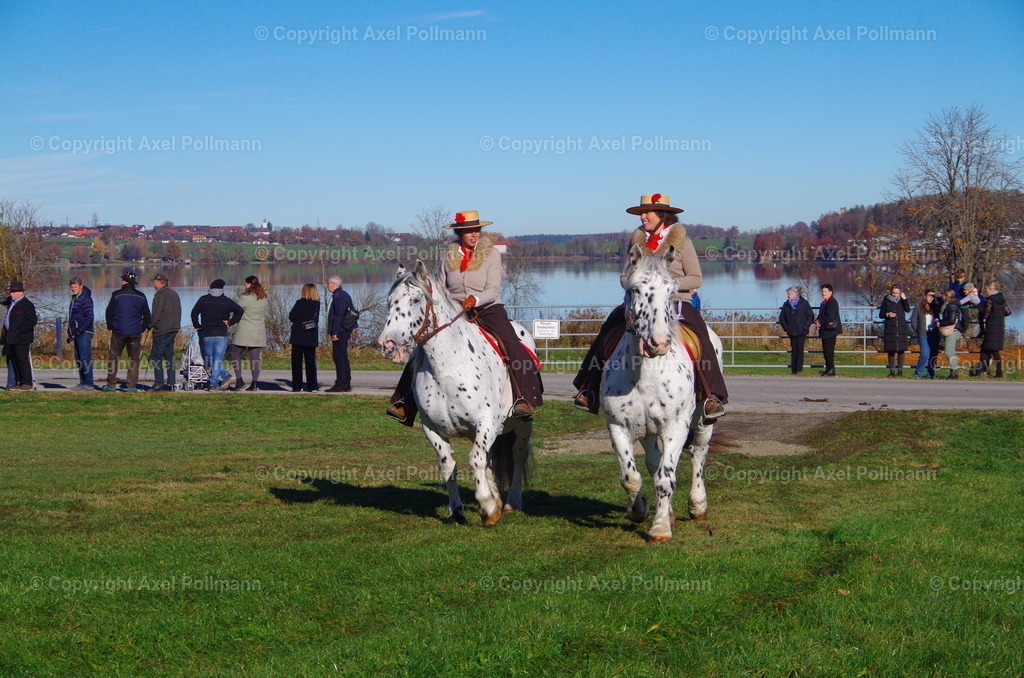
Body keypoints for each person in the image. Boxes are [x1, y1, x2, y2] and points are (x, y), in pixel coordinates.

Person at [572, 195, 726, 419]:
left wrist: (669, 285)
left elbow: (696, 278)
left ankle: (712, 395)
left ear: (661, 215)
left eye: (647, 213)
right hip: (640, 301)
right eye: (641, 213)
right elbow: (625, 276)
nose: (642, 217)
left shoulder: (684, 242)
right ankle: (589, 388)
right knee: (608, 329)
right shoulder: (637, 242)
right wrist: (633, 285)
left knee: (701, 334)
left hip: (674, 300)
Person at [388, 210, 544, 425]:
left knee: (511, 342)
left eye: (477, 230)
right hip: (454, 310)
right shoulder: (448, 255)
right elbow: (442, 287)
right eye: (469, 231)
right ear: (460, 233)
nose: (474, 234)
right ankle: (404, 402)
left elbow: (492, 289)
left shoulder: (492, 254)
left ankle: (523, 398)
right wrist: (448, 301)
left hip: (488, 307)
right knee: (422, 346)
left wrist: (474, 300)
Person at [190, 278, 243, 391]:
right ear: (222, 289)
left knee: (209, 359)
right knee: (216, 360)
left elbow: (194, 312)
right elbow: (240, 311)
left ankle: (214, 382)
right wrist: (230, 322)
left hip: (206, 334)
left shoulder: (203, 299)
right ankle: (223, 377)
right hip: (221, 334)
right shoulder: (226, 301)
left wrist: (197, 325)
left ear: (211, 288)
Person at [103, 271, 151, 392]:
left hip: (118, 331)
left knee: (114, 357)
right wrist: (142, 328)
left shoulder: (116, 295)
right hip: (135, 331)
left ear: (124, 282)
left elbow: (109, 312)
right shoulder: (141, 296)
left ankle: (111, 384)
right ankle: (131, 385)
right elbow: (147, 315)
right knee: (134, 359)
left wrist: (110, 326)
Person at [230, 275, 268, 391]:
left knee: (235, 353)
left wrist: (230, 321)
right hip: (259, 330)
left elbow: (236, 309)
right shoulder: (264, 298)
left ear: (248, 284)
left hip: (245, 329)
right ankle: (254, 383)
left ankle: (239, 379)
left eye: (245, 283)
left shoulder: (244, 297)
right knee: (255, 358)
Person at [1, 281, 38, 390]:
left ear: (21, 292)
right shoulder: (11, 303)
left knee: (22, 361)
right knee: (15, 361)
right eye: (11, 292)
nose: (11, 294)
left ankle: (27, 382)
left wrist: (19, 330)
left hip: (22, 338)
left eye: (14, 292)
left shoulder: (27, 304)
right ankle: (19, 381)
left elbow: (32, 321)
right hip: (11, 337)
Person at [149, 273, 181, 391]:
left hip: (162, 329)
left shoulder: (159, 295)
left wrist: (149, 325)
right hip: (173, 328)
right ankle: (171, 382)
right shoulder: (174, 294)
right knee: (169, 355)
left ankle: (159, 383)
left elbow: (156, 314)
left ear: (159, 282)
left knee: (156, 356)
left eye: (155, 281)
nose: (153, 283)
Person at [325, 275, 355, 393]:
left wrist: (334, 332)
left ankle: (341, 384)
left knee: (339, 357)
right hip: (343, 330)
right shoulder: (343, 294)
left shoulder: (339, 296)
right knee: (341, 356)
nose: (327, 285)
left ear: (334, 284)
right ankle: (345, 382)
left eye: (328, 283)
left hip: (341, 331)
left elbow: (338, 315)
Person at [289, 283, 321, 392]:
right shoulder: (317, 304)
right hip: (311, 334)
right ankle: (312, 386)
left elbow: (291, 317)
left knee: (297, 362)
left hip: (298, 334)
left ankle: (297, 386)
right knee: (311, 361)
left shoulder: (300, 303)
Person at [974, 281, 1009, 378]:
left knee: (994, 350)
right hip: (1000, 325)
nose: (985, 291)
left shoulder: (990, 299)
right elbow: (1007, 312)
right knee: (985, 348)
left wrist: (981, 309)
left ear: (989, 289)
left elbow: (986, 314)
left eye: (985, 289)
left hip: (992, 326)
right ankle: (980, 370)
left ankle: (999, 373)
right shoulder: (1001, 298)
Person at [778, 286, 815, 374]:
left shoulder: (804, 303)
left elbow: (810, 316)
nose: (787, 295)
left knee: (800, 349)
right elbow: (782, 318)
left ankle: (799, 369)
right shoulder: (786, 305)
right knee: (794, 349)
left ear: (795, 294)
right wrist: (786, 328)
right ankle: (793, 369)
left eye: (789, 294)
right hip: (791, 331)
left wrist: (805, 327)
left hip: (801, 331)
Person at [67, 276, 95, 390]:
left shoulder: (85, 299)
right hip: (77, 333)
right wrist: (71, 332)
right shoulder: (75, 299)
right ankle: (83, 382)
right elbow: (72, 317)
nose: (73, 289)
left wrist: (79, 330)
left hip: (85, 333)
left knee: (85, 358)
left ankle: (89, 383)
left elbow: (89, 317)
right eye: (72, 287)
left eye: (75, 287)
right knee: (79, 359)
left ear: (81, 286)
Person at [878, 284, 912, 377]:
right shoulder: (886, 300)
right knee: (891, 350)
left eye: (897, 293)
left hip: (901, 328)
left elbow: (908, 310)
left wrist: (905, 299)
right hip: (890, 328)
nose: (895, 295)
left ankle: (900, 371)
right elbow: (881, 314)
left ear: (900, 293)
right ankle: (892, 371)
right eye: (893, 293)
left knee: (901, 350)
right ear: (891, 292)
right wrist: (888, 314)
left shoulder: (902, 301)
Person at [909, 290, 940, 379]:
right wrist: (918, 331)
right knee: (925, 354)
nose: (931, 298)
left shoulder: (936, 307)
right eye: (929, 295)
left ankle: (930, 373)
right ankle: (918, 373)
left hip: (934, 333)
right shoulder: (919, 307)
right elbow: (913, 320)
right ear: (925, 296)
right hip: (923, 333)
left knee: (933, 354)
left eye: (933, 296)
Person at [936, 289, 965, 379]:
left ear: (946, 296)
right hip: (954, 329)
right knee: (950, 351)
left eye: (943, 295)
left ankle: (954, 371)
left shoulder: (951, 306)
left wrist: (940, 323)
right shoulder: (952, 304)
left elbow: (951, 320)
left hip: (953, 330)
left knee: (949, 351)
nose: (941, 297)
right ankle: (953, 371)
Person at [815, 284, 842, 376]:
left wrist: (820, 322)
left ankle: (831, 369)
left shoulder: (832, 302)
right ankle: (828, 368)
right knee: (826, 351)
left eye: (825, 291)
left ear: (830, 292)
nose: (823, 293)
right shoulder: (824, 302)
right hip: (825, 330)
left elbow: (830, 317)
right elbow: (822, 315)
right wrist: (817, 320)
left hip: (830, 331)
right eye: (822, 291)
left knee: (829, 351)